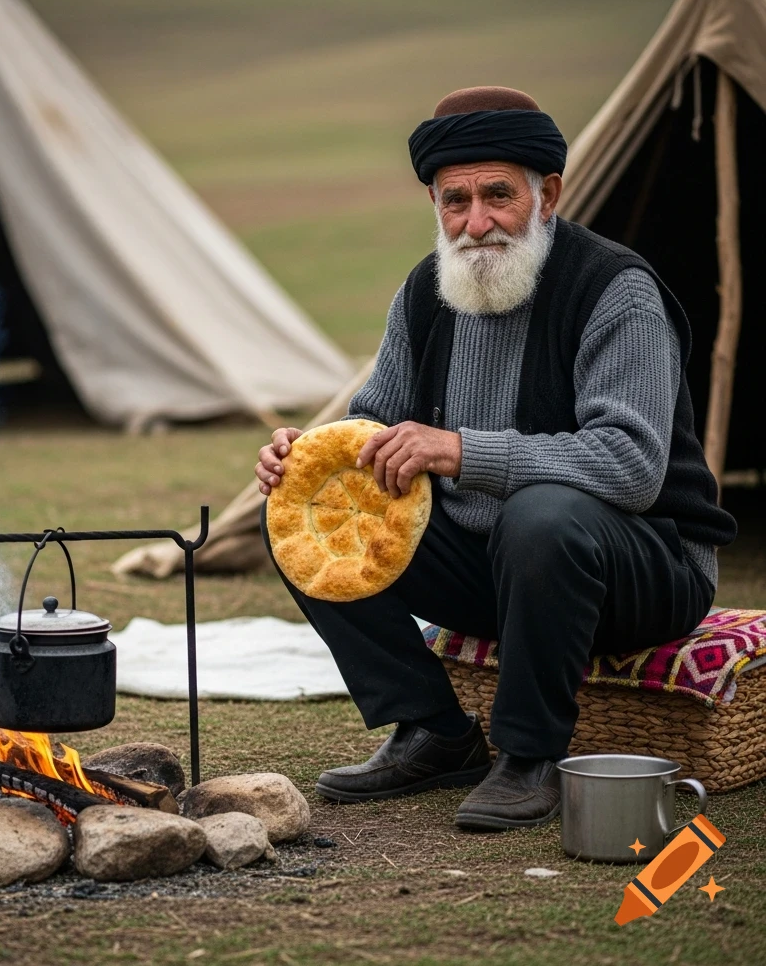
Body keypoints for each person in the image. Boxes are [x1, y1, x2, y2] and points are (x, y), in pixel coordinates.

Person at [255, 86, 736, 831]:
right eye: (455, 202)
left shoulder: (614, 291)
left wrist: (460, 450)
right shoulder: (425, 291)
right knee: (300, 519)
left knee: (539, 515)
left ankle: (529, 755)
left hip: (641, 568)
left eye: (497, 196)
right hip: (494, 570)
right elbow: (372, 424)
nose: (476, 223)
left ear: (548, 195)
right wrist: (307, 456)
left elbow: (632, 466)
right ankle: (435, 732)